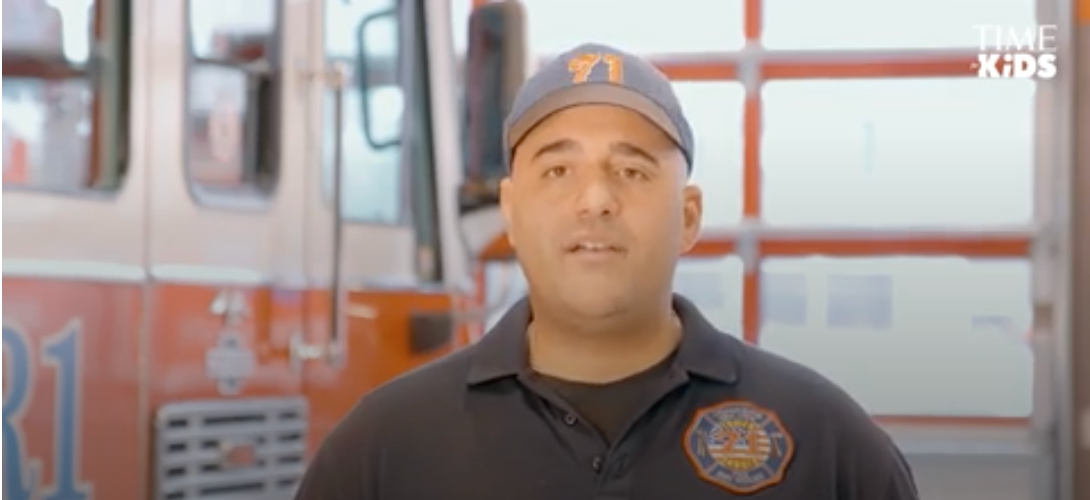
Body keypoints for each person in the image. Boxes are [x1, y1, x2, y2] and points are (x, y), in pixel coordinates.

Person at [293, 42, 920, 500]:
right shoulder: (384, 448)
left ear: (689, 216)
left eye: (632, 171)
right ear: (510, 211)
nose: (595, 200)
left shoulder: (826, 443)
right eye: (558, 171)